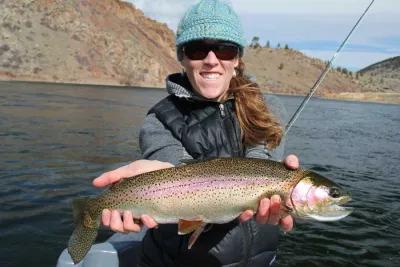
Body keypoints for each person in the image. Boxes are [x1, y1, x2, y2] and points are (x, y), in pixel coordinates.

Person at [93, 0, 299, 266]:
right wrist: (155, 176)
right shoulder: (160, 118)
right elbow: (173, 169)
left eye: (224, 50)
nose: (211, 60)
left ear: (236, 59)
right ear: (182, 57)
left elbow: (261, 164)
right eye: (198, 49)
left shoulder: (268, 106)